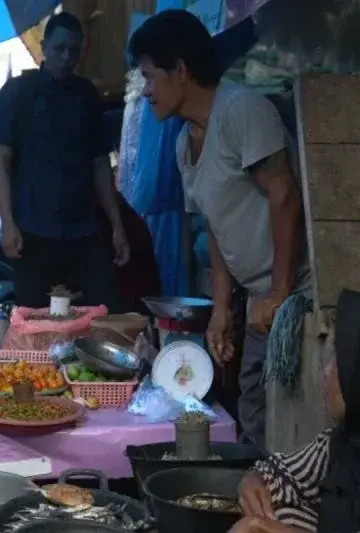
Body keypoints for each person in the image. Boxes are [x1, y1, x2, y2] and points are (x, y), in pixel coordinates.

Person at [129, 10, 310, 447]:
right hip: (259, 298)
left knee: (285, 420)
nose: (147, 91)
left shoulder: (242, 110)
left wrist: (280, 293)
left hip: (297, 293)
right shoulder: (182, 142)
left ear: (182, 71)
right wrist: (223, 309)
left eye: (151, 77)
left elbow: (285, 196)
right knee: (252, 410)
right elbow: (216, 225)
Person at [0, 12, 128, 311]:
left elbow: (100, 164)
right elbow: (0, 158)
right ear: (43, 46)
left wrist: (117, 226)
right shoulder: (17, 93)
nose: (67, 57)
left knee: (104, 310)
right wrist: (8, 224)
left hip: (82, 229)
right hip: (32, 231)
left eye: (73, 51)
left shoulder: (87, 96)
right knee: (32, 318)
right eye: (59, 49)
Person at [230, 288, 360, 533]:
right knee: (276, 509)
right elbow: (278, 473)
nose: (326, 370)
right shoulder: (339, 444)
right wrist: (252, 482)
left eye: (339, 361)